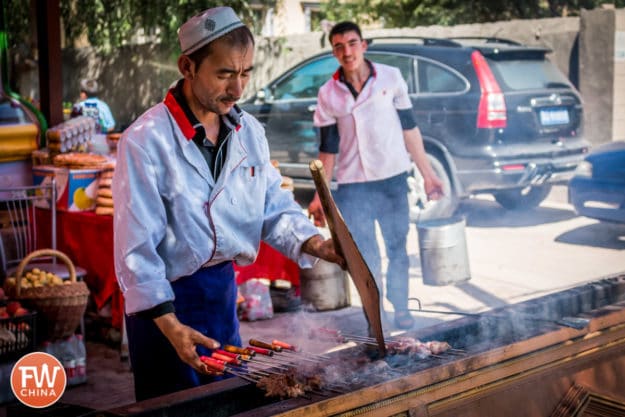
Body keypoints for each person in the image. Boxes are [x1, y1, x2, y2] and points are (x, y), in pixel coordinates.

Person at [112, 7, 343, 401]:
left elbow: (272, 204)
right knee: (174, 409)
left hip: (220, 296)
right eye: (224, 74)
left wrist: (316, 244)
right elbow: (136, 249)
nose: (238, 89)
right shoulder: (145, 140)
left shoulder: (249, 132)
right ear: (188, 66)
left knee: (225, 404)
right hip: (165, 306)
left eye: (246, 72)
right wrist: (168, 323)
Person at [307, 21, 444, 331]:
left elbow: (410, 130)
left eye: (352, 43)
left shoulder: (391, 78)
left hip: (392, 179)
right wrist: (320, 195)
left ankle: (401, 306)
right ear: (334, 52)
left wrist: (428, 175)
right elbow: (327, 149)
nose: (347, 51)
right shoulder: (329, 93)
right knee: (366, 256)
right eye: (339, 46)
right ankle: (374, 315)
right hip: (354, 186)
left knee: (397, 247)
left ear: (364, 45)